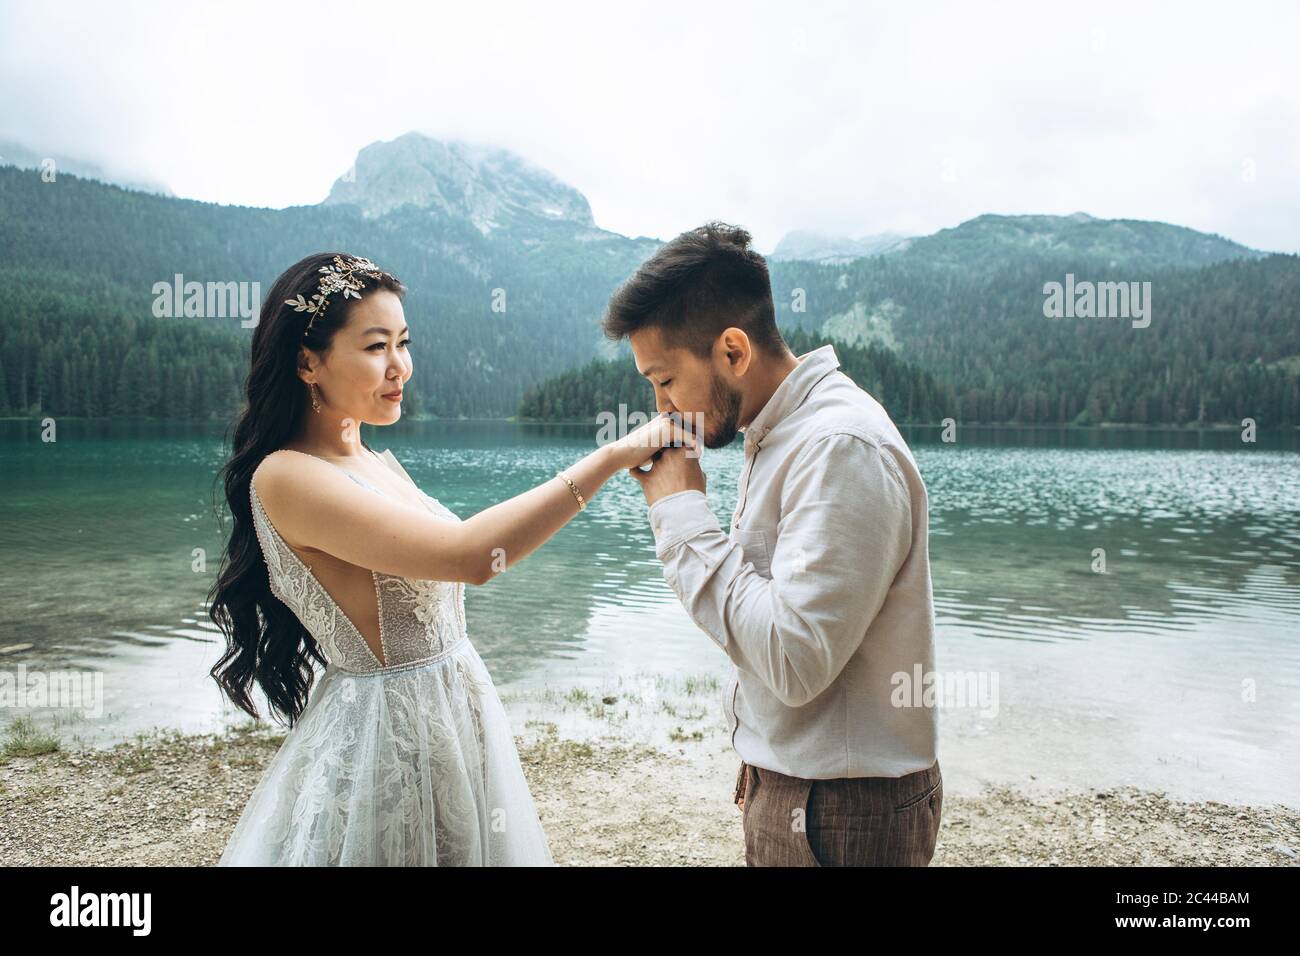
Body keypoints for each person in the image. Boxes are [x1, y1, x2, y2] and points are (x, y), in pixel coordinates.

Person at [208, 252, 690, 865]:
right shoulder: (287, 476)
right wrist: (610, 457)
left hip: (453, 716)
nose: (399, 367)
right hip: (386, 738)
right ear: (308, 361)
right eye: (376, 347)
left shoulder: (373, 461)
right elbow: (471, 557)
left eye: (403, 343)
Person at [606, 222, 942, 866]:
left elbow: (794, 660)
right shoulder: (782, 433)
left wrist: (680, 514)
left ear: (733, 352)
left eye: (665, 380)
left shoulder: (837, 447)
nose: (662, 409)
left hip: (842, 811)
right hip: (810, 792)